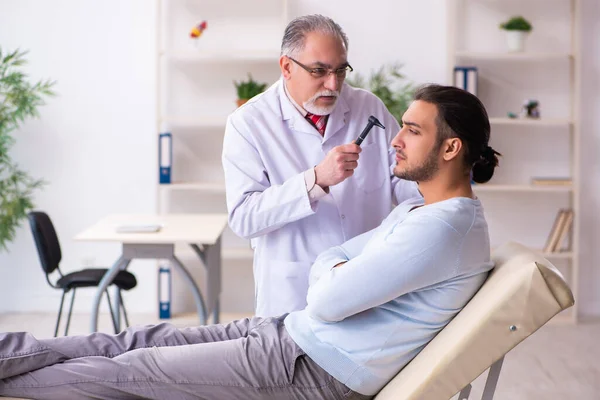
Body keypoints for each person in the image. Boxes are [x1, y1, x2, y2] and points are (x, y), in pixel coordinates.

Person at [0, 85, 500, 400]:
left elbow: (327, 295)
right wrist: (337, 264)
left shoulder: (442, 228)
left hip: (313, 370)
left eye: (410, 130)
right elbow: (335, 258)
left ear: (451, 147)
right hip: (290, 335)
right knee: (140, 338)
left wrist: (336, 268)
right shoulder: (420, 210)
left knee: (130, 369)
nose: (394, 138)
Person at [222, 14, 420, 317]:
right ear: (287, 67)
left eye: (340, 71)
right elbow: (244, 218)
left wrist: (440, 198)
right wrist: (315, 181)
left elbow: (403, 180)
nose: (333, 84)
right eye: (319, 71)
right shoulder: (248, 123)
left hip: (366, 285)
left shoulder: (368, 107)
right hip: (293, 295)